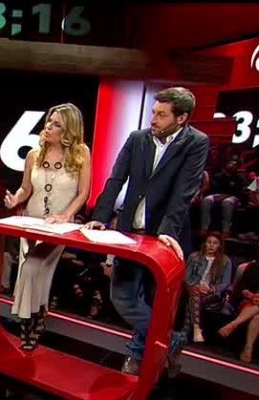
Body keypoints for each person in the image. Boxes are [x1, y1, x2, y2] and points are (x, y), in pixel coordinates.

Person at [85, 87, 209, 376]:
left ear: (181, 118)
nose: (153, 119)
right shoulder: (137, 138)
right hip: (130, 230)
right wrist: (101, 217)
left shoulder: (196, 143)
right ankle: (171, 341)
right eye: (154, 112)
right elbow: (116, 179)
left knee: (154, 300)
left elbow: (184, 191)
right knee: (123, 297)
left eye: (162, 115)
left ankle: (137, 355)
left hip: (165, 234)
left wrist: (167, 232)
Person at [3, 103, 91, 351]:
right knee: (33, 271)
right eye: (49, 122)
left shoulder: (81, 154)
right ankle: (34, 318)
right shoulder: (34, 154)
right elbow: (26, 189)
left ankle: (30, 318)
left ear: (68, 130)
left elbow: (83, 193)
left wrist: (66, 215)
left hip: (59, 227)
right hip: (31, 224)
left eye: (56, 124)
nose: (48, 127)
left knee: (33, 268)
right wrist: (16, 199)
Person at [183, 233, 232, 343]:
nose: (211, 245)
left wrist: (211, 289)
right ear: (204, 243)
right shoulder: (194, 257)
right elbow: (186, 278)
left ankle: (185, 332)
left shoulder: (225, 261)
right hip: (194, 289)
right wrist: (196, 285)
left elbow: (225, 283)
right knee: (194, 294)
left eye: (215, 243)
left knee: (193, 298)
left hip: (212, 295)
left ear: (220, 245)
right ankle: (196, 329)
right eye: (209, 242)